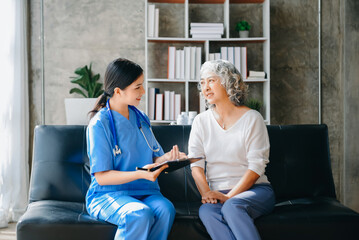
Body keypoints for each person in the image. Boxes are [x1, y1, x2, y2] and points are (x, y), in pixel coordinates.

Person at [86, 58, 185, 240]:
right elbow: (101, 177)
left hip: (145, 191)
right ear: (118, 91)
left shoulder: (141, 118)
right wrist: (140, 174)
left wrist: (170, 158)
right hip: (108, 195)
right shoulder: (99, 124)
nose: (143, 91)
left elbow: (155, 158)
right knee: (139, 213)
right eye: (137, 87)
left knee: (165, 209)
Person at [188, 59, 275, 240]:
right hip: (218, 194)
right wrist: (207, 194)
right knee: (207, 211)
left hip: (255, 190)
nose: (205, 88)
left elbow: (256, 166)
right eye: (202, 83)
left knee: (232, 206)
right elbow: (196, 164)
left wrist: (230, 197)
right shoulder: (201, 121)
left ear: (228, 82)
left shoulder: (252, 118)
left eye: (211, 80)